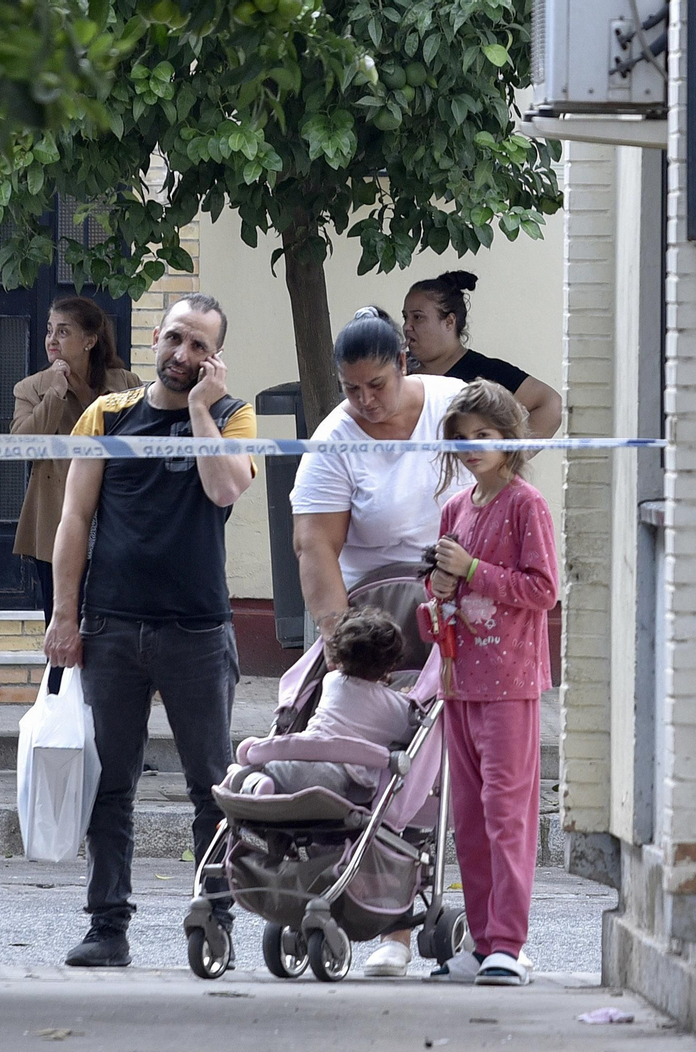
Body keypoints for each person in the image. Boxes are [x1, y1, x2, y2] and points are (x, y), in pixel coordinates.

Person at [43, 293, 256, 969]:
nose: (182, 356)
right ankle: (108, 925)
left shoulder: (233, 415)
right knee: (111, 782)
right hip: (111, 627)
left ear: (214, 357)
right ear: (155, 340)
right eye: (174, 340)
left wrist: (200, 411)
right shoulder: (106, 413)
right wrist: (64, 615)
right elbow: (74, 520)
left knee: (211, 785)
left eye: (198, 346)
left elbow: (225, 491)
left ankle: (215, 917)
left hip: (197, 630)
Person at [289, 305, 468, 977]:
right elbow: (315, 546)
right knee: (386, 766)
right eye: (350, 388)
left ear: (404, 365)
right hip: (378, 623)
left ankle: (489, 929)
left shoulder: (452, 408)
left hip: (462, 608)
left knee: (469, 769)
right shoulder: (335, 440)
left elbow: (503, 483)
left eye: (377, 386)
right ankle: (391, 926)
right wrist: (346, 653)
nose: (364, 401)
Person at [422, 380, 559, 986]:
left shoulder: (527, 504)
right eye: (463, 438)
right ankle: (482, 942)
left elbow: (542, 590)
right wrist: (440, 591)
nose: (473, 447)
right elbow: (441, 599)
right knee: (469, 819)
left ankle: (510, 942)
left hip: (510, 684)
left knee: (508, 812)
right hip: (458, 682)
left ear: (511, 439)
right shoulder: (456, 509)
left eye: (486, 436)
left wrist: (474, 570)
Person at [12, 295, 142, 691]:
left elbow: (139, 440)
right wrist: (55, 392)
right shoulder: (31, 387)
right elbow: (22, 445)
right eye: (50, 331)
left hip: (117, 521)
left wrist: (86, 394)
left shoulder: (126, 384)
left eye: (63, 332)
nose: (52, 340)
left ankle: (108, 728)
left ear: (89, 340)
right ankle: (59, 721)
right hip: (56, 522)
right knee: (63, 623)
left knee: (112, 627)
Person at [224, 606, 414, 803]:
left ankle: (255, 782)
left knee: (259, 770)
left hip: (297, 758)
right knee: (319, 785)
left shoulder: (331, 680)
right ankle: (258, 782)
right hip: (335, 777)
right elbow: (409, 731)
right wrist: (406, 699)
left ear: (339, 656)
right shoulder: (392, 705)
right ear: (391, 665)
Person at [402, 270, 563, 442]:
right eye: (405, 317)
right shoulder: (396, 370)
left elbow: (551, 406)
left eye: (418, 317)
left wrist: (505, 460)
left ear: (449, 321)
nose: (407, 326)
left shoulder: (485, 372)